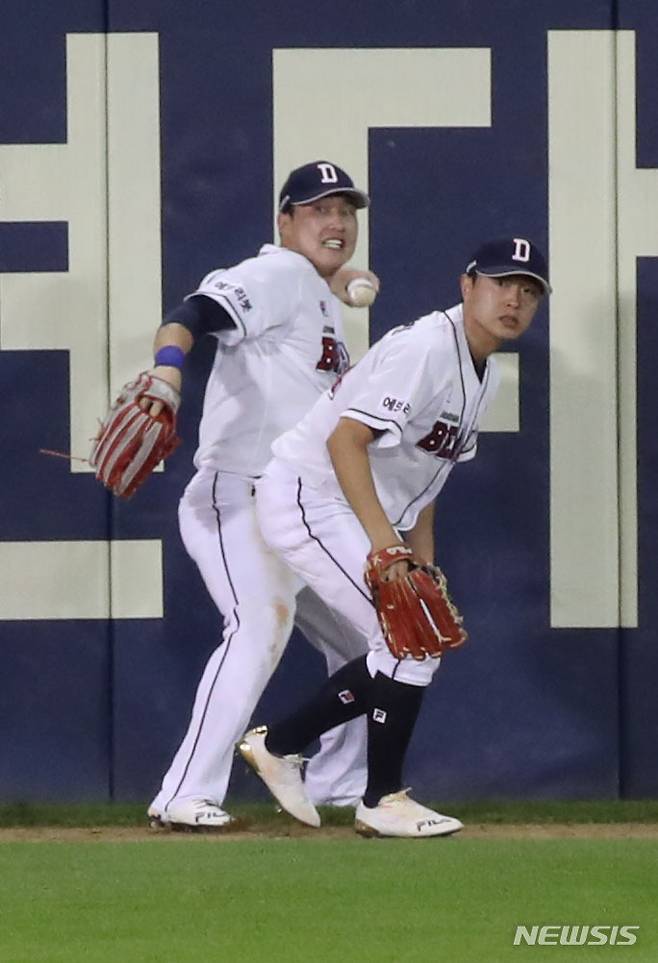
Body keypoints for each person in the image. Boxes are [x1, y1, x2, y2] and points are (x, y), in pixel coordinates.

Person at [239, 236, 551, 838]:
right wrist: (387, 547)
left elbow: (427, 475)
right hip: (310, 495)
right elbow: (345, 441)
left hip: (347, 507)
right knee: (408, 640)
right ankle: (378, 798)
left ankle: (282, 745)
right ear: (467, 286)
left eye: (528, 290)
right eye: (500, 283)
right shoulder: (427, 348)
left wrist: (420, 559)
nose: (514, 299)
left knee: (413, 636)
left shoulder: (484, 372)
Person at [146, 161, 379, 830]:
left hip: (298, 508)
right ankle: (183, 794)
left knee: (375, 636)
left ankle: (338, 782)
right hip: (239, 495)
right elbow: (192, 313)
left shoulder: (310, 288)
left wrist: (338, 281)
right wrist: (168, 371)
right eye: (318, 209)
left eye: (345, 211)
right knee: (259, 624)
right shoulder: (276, 274)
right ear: (284, 221)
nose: (337, 221)